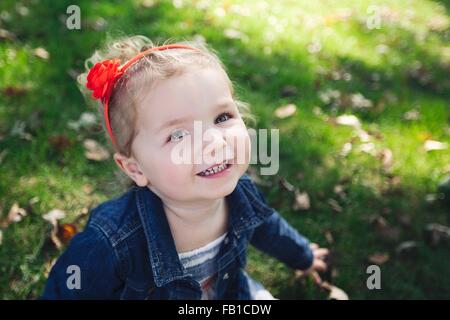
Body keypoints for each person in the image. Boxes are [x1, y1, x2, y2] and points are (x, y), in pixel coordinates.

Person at [41, 35, 328, 299]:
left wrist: (303, 255)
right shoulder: (113, 239)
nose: (213, 142)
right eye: (178, 135)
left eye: (222, 117)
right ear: (136, 169)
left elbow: (268, 227)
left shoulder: (242, 195)